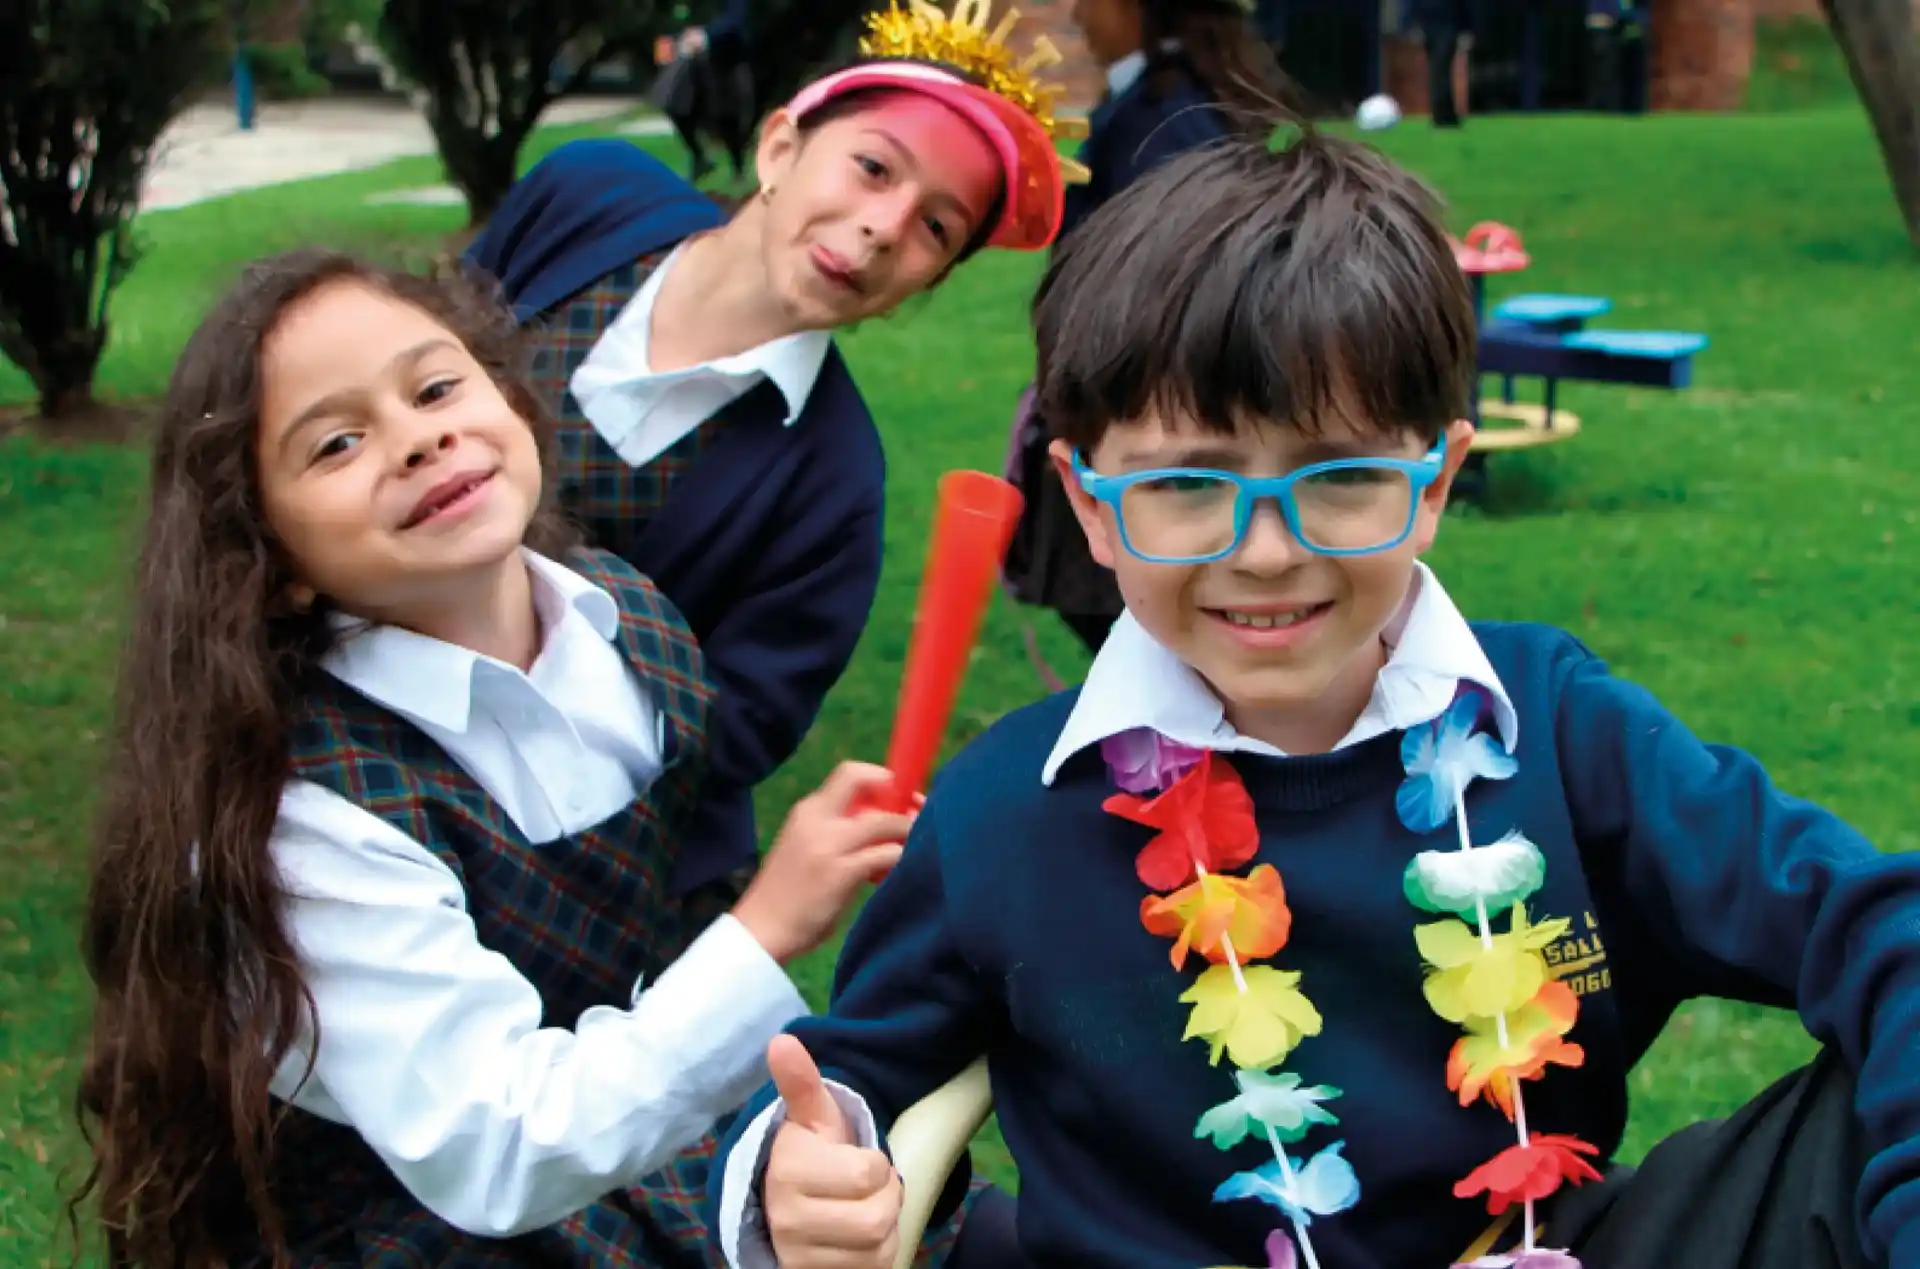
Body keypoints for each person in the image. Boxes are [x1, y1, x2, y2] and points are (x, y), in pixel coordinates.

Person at [706, 132, 1917, 1269]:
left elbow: (1872, 926)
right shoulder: (1007, 811)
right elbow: (846, 1083)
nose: (1269, 551)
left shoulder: (1556, 728)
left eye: (1341, 478)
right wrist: (797, 1179)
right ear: (1086, 502)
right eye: (1189, 485)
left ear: (1435, 477)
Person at [63, 249, 955, 1268]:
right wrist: (763, 931)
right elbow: (496, 1151)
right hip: (431, 1220)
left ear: (513, 402)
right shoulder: (306, 820)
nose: (417, 438)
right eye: (338, 442)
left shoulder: (625, 621)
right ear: (272, 564)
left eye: (436, 386)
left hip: (630, 1128)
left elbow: (648, 929)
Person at [464, 0, 1073, 921]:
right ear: (780, 146)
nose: (881, 228)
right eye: (873, 167)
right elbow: (411, 368)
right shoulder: (584, 201)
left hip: (560, 875)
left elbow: (720, 738)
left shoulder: (832, 487)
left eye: (934, 228)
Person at [1002, 0, 1297, 659]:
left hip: (1142, 401)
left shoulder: (1167, 120)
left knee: (1147, 616)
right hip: (1124, 396)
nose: (1075, 11)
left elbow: (1174, 280)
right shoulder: (1157, 101)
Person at [662, 0, 757, 184]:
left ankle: (738, 167)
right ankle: (700, 158)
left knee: (726, 116)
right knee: (675, 105)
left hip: (726, 58)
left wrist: (705, 35)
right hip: (694, 59)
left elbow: (734, 21)